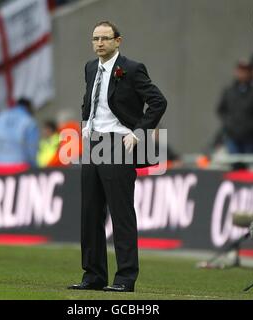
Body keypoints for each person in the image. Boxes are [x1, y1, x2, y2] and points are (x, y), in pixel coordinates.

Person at [68, 21, 167, 293]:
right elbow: (90, 98)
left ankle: (125, 278)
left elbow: (158, 101)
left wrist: (137, 133)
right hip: (93, 143)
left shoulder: (132, 69)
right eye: (95, 38)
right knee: (90, 212)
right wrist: (85, 124)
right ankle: (93, 275)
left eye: (105, 38)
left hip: (118, 143)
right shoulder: (90, 68)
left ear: (118, 41)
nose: (99, 43)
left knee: (121, 213)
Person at [217, 60, 253, 154]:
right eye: (240, 71)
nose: (243, 74)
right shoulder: (229, 91)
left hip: (250, 136)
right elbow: (221, 110)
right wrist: (228, 123)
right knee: (234, 164)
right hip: (232, 134)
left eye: (245, 71)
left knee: (249, 164)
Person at [0, 98, 39, 167]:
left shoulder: (0, 117)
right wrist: (35, 169)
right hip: (17, 169)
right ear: (28, 108)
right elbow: (31, 151)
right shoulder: (29, 121)